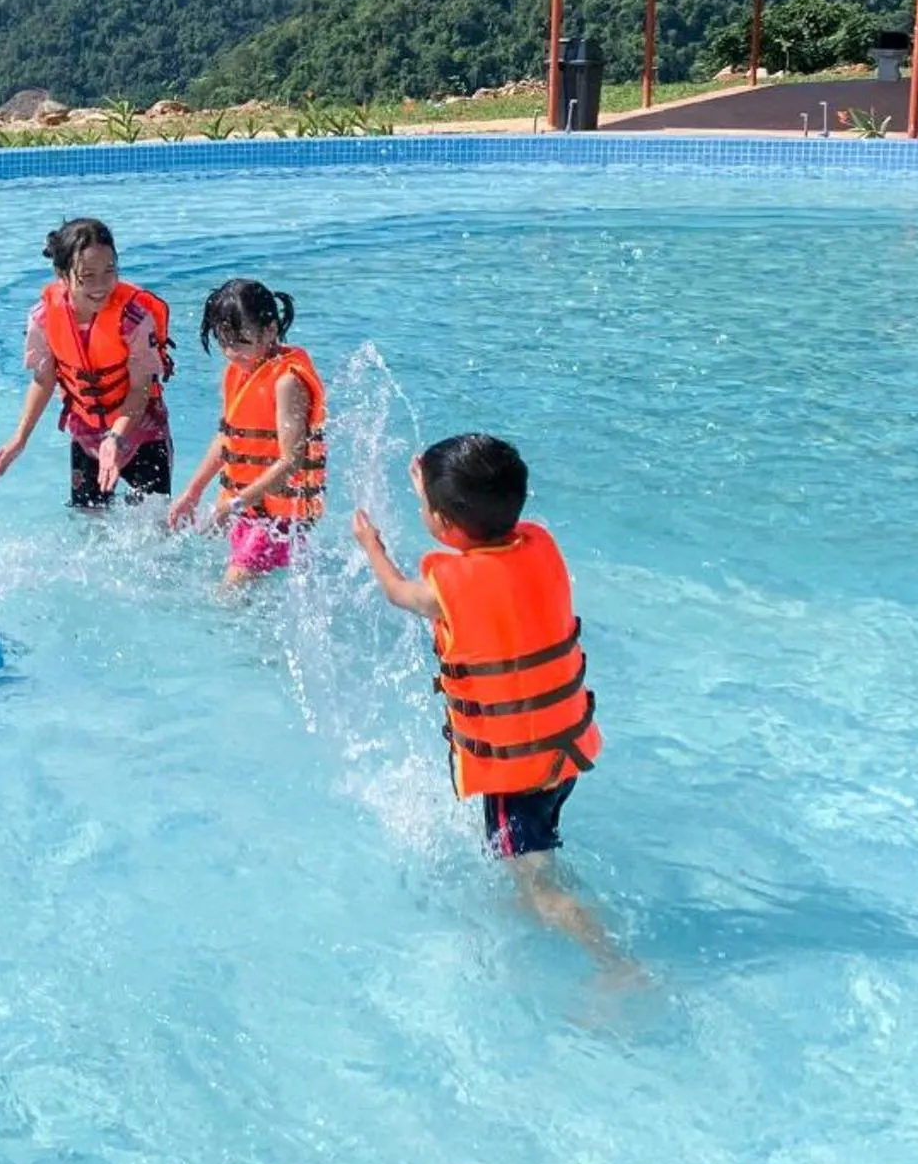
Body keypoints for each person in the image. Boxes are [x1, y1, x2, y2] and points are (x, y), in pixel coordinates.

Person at [352, 433, 638, 978]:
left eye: (425, 508)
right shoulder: (539, 545)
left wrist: (371, 544)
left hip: (516, 773)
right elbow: (479, 535)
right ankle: (537, 908)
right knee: (536, 851)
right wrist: (434, 492)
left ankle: (615, 965)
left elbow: (397, 591)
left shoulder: (444, 591)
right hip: (563, 754)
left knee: (536, 881)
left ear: (443, 523)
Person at [0, 217, 173, 508]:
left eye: (109, 271)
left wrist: (115, 438)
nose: (101, 285)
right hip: (87, 433)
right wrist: (19, 438)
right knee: (89, 523)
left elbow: (140, 389)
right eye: (87, 275)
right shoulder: (44, 318)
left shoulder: (133, 319)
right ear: (62, 274)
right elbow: (43, 379)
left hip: (142, 431)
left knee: (154, 526)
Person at [166, 279, 324, 580]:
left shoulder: (287, 383)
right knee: (243, 593)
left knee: (231, 592)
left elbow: (292, 461)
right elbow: (227, 438)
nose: (230, 351)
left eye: (239, 341)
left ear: (270, 331)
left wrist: (235, 505)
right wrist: (193, 491)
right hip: (251, 508)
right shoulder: (239, 373)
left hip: (281, 517)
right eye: (223, 341)